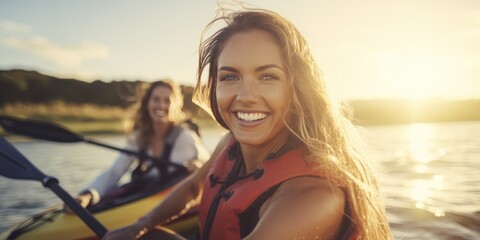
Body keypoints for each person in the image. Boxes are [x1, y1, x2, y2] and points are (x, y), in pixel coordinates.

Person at [103, 9, 392, 240]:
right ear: (214, 86)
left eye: (267, 77)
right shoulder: (229, 144)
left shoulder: (313, 197)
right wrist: (140, 225)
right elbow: (193, 188)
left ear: (297, 89)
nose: (245, 97)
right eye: (230, 77)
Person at [69, 80, 211, 209]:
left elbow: (210, 162)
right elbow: (115, 171)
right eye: (156, 99)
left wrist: (199, 163)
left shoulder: (184, 137)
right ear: (147, 104)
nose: (161, 105)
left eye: (167, 101)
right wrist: (88, 194)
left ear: (175, 106)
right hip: (149, 193)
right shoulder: (139, 138)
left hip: (178, 198)